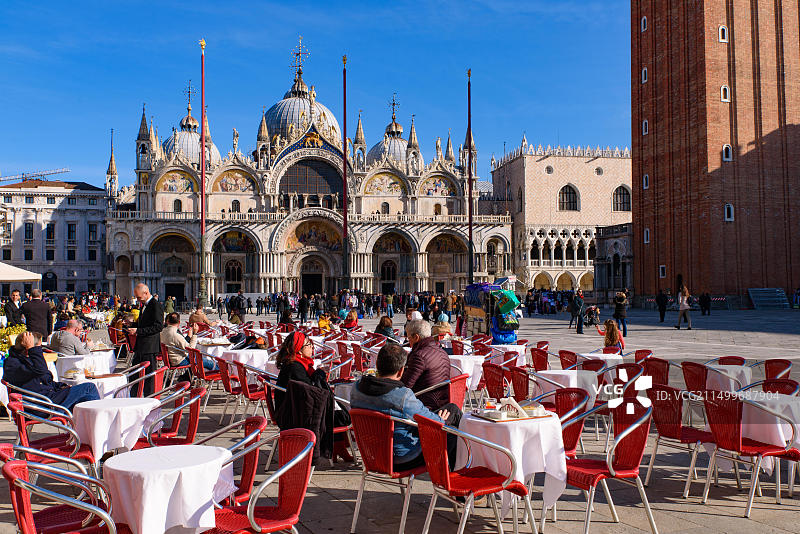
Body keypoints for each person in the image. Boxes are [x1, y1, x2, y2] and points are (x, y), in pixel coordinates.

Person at [350, 342, 461, 471]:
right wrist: (441, 420)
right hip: (401, 458)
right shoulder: (402, 396)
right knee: (451, 432)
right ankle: (454, 478)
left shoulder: (356, 388)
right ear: (401, 370)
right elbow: (434, 423)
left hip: (370, 455)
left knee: (452, 409)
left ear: (377, 365)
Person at [4, 331, 99, 410]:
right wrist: (33, 349)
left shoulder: (27, 360)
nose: (40, 351)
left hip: (47, 397)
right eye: (38, 348)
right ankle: (96, 427)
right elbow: (41, 370)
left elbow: (45, 379)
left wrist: (61, 386)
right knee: (89, 388)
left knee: (87, 399)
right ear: (29, 349)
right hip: (39, 404)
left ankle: (88, 429)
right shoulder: (12, 364)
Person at [402, 320, 450, 410]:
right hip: (443, 401)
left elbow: (405, 385)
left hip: (425, 405)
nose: (408, 342)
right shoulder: (443, 352)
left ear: (416, 337)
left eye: (409, 338)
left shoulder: (419, 356)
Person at [127, 283, 164, 395]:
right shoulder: (145, 305)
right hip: (141, 346)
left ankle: (149, 399)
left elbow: (158, 327)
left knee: (149, 377)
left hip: (149, 347)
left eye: (139, 297)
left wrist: (138, 331)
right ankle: (134, 397)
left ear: (146, 293)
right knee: (134, 374)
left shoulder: (155, 305)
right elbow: (145, 323)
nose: (138, 300)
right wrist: (133, 324)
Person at [274, 331, 322, 411]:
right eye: (308, 344)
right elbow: (310, 390)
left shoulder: (295, 362)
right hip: (292, 413)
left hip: (294, 407)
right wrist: (320, 374)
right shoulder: (294, 367)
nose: (312, 346)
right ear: (299, 350)